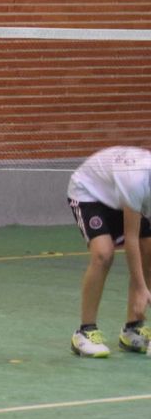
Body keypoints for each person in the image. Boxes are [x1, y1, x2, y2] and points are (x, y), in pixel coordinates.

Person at [66, 146, 151, 357]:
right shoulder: (136, 180)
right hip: (89, 192)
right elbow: (131, 238)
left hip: (119, 194)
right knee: (103, 253)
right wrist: (141, 288)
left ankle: (133, 329)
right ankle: (85, 332)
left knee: (149, 249)